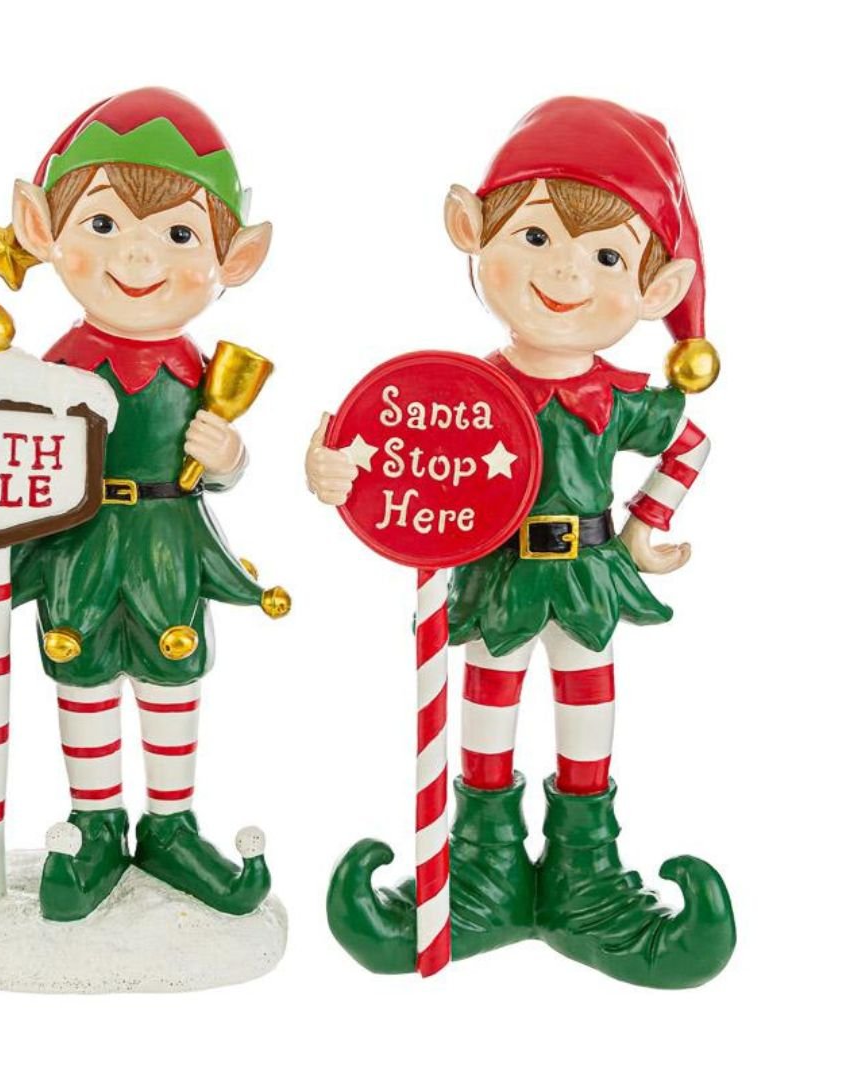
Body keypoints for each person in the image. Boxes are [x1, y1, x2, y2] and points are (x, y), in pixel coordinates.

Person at [306, 97, 735, 987]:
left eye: (607, 256)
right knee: (486, 714)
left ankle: (586, 880)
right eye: (535, 237)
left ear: (655, 290)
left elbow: (690, 443)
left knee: (588, 715)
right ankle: (484, 875)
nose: (566, 271)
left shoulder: (618, 396)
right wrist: (335, 470)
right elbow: (391, 449)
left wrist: (645, 528)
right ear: (471, 231)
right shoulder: (459, 390)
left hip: (585, 577)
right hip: (497, 578)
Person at [0, 88, 288, 921]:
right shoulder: (59, 367)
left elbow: (222, 460)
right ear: (42, 229)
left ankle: (171, 825)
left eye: (180, 235)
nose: (139, 255)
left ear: (236, 260)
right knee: (81, 670)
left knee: (171, 673)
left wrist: (228, 457)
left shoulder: (197, 369)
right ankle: (96, 821)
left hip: (167, 537)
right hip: (79, 538)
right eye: (105, 224)